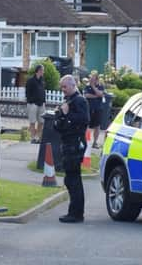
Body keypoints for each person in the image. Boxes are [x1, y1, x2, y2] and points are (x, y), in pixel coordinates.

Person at [54, 75, 90, 223]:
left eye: (64, 87)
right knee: (71, 178)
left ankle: (76, 213)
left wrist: (68, 114)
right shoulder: (68, 101)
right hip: (68, 141)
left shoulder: (79, 100)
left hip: (75, 143)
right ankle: (74, 211)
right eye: (61, 87)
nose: (63, 90)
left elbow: (84, 120)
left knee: (73, 179)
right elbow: (61, 123)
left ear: (72, 85)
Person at [83, 72, 105, 148]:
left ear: (96, 80)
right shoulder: (87, 86)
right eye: (90, 79)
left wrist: (93, 87)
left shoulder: (100, 86)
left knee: (97, 126)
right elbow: (86, 95)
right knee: (87, 125)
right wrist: (96, 96)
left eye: (93, 79)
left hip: (98, 109)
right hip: (88, 108)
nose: (91, 80)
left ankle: (94, 142)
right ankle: (85, 141)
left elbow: (100, 93)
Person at [25, 64, 46, 144]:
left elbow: (43, 92)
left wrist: (44, 102)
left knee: (41, 121)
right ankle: (33, 138)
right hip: (33, 104)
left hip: (41, 104)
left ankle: (38, 137)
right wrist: (31, 101)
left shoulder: (42, 81)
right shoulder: (31, 80)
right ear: (38, 71)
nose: (43, 72)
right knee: (32, 122)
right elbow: (27, 92)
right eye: (42, 70)